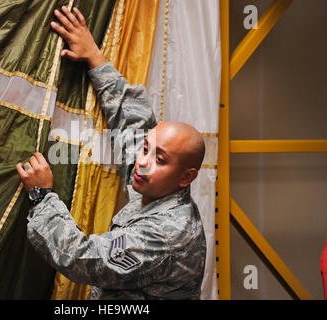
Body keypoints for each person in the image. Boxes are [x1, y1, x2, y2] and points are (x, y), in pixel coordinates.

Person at [16, 7, 206, 299]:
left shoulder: (166, 235)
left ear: (186, 177)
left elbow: (84, 258)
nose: (142, 163)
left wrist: (42, 198)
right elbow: (135, 122)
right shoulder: (158, 183)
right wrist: (95, 56)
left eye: (160, 158)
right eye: (146, 149)